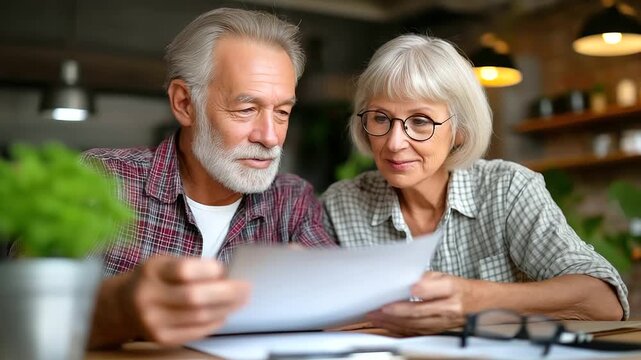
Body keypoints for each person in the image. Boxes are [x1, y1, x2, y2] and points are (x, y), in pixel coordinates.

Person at [322, 34, 628, 336]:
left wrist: (473, 301)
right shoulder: (341, 204)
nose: (394, 142)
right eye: (380, 118)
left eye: (420, 121)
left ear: (459, 131)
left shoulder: (507, 189)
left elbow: (604, 302)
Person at [84, 8, 336, 348]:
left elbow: (341, 309)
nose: (271, 137)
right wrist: (118, 307)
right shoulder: (103, 181)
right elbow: (19, 313)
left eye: (282, 113)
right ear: (185, 103)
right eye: (246, 109)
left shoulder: (292, 202)